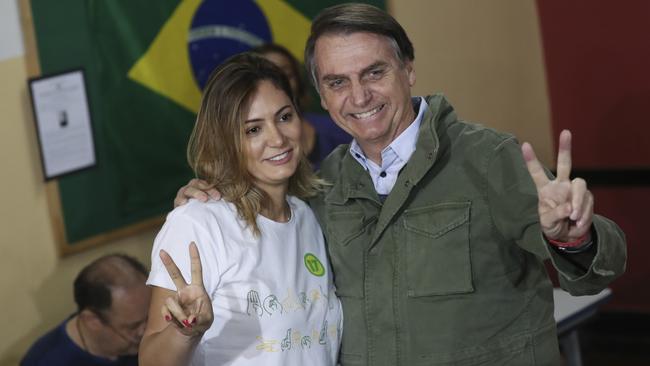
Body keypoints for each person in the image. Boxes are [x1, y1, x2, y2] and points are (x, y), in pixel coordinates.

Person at [175, 3, 627, 365]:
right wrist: (208, 197)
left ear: (407, 69)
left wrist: (574, 239)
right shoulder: (320, 186)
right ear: (321, 94)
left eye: (374, 72)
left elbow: (600, 271)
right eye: (337, 82)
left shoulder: (487, 157)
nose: (359, 96)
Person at [139, 53, 342, 366]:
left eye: (285, 117)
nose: (277, 138)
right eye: (253, 130)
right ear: (225, 141)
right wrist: (186, 332)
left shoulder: (307, 216)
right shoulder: (197, 223)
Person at [21, 254, 150, 366]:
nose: (145, 332)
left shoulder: (151, 339)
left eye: (149, 317)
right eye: (133, 327)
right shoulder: (44, 361)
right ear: (92, 321)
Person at [251, 43, 351, 169]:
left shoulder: (339, 131)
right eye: (253, 130)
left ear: (298, 79)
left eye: (286, 75)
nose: (276, 86)